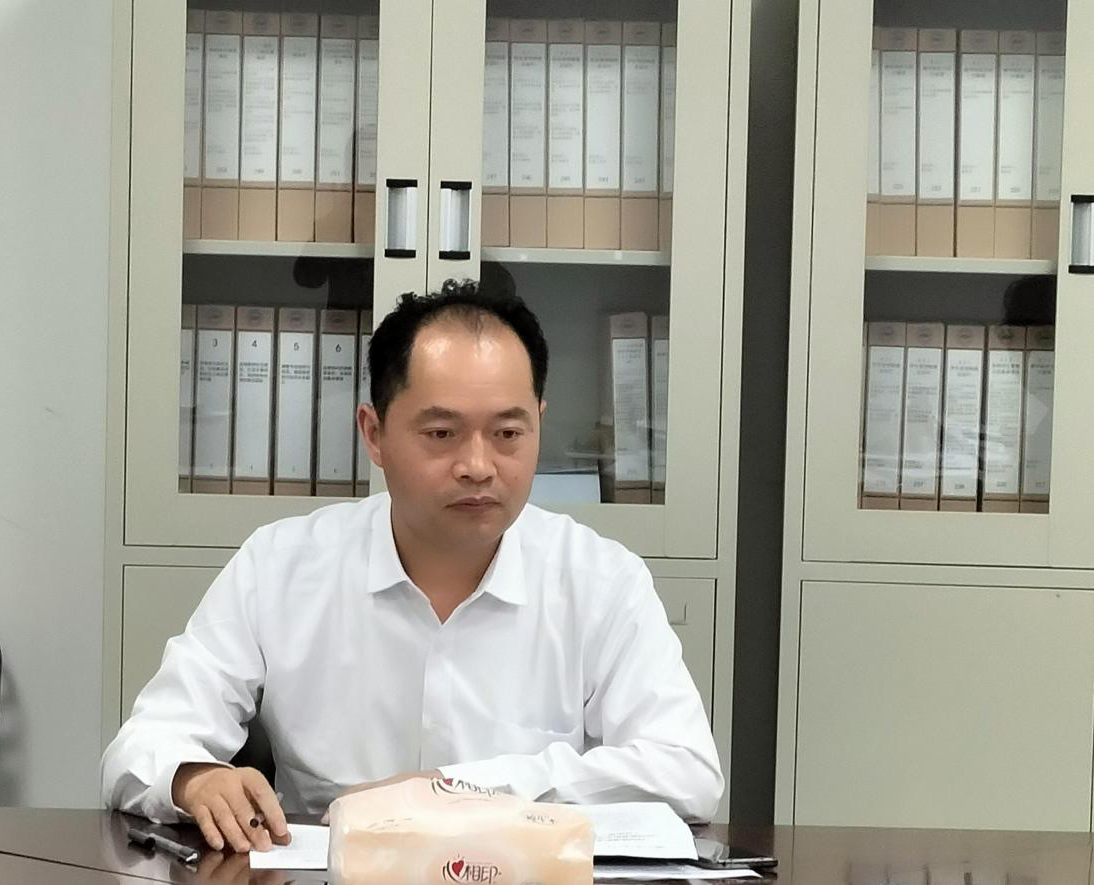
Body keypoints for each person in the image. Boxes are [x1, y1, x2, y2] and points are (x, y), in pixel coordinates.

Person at [101, 280, 723, 853]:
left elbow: (686, 772)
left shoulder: (601, 580)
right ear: (374, 434)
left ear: (539, 422)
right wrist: (194, 778)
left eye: (508, 434)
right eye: (442, 434)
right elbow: (141, 747)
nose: (478, 466)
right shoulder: (279, 567)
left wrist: (459, 789)